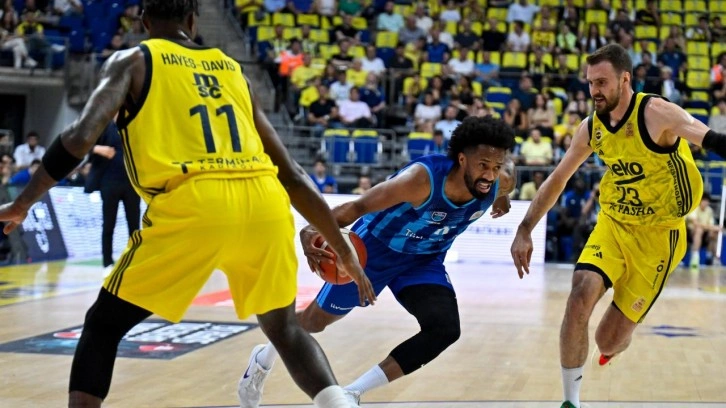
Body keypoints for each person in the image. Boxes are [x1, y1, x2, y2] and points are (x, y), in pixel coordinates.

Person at [0, 1, 376, 407]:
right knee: (285, 329)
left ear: (144, 21)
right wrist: (342, 249)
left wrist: (23, 202)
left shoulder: (134, 61)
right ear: (193, 21)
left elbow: (79, 137)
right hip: (264, 202)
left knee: (103, 326)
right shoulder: (232, 70)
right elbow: (293, 174)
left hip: (194, 200)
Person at [238, 116, 516, 406]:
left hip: (424, 260)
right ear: (461, 159)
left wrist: (502, 197)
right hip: (374, 250)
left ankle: (352, 392)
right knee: (314, 322)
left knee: (444, 329)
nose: (490, 175)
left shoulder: (498, 181)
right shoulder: (420, 180)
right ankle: (262, 359)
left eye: (496, 168)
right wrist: (312, 228)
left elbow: (507, 179)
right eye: (483, 165)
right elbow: (357, 207)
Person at [509, 43, 726, 408]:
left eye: (602, 82)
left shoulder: (657, 112)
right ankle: (570, 401)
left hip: (660, 234)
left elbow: (712, 139)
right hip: (614, 222)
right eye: (590, 82)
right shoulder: (591, 128)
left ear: (625, 79)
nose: (594, 91)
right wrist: (524, 228)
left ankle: (618, 339)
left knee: (607, 340)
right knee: (579, 295)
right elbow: (558, 178)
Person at [84, 120, 141, 269]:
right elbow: (82, 143)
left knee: (134, 225)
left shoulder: (135, 124)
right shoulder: (103, 126)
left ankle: (135, 260)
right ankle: (107, 262)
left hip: (131, 183)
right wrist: (97, 148)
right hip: (109, 183)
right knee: (109, 224)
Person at [687, 192, 722, 268]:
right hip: (690, 234)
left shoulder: (709, 211)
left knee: (714, 232)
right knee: (699, 230)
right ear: (700, 201)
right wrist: (713, 227)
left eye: (707, 201)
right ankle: (695, 257)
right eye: (704, 201)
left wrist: (715, 228)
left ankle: (710, 257)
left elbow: (711, 225)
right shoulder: (694, 208)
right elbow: (696, 223)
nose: (706, 203)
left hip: (704, 235)